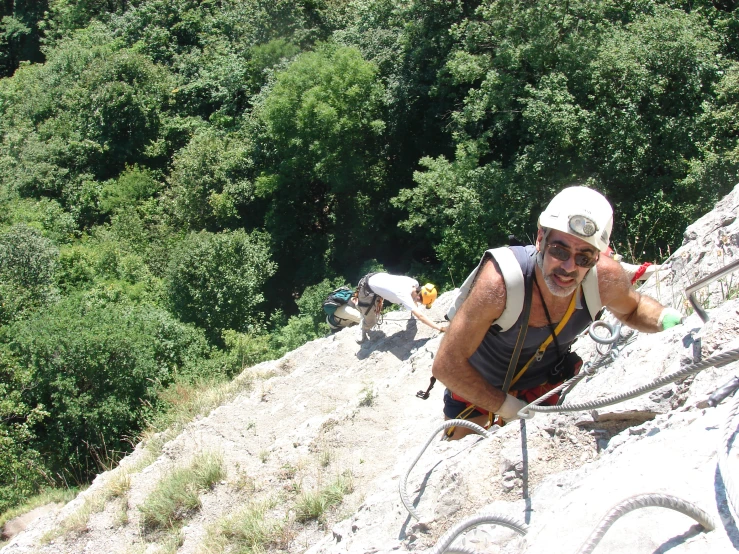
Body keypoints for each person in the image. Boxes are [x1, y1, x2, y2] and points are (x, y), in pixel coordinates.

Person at [433, 186, 684, 439]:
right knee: (461, 456)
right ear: (540, 238)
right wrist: (508, 407)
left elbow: (635, 308)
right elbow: (447, 365)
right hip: (477, 386)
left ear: (597, 257)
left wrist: (667, 320)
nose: (569, 267)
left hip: (543, 387)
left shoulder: (603, 279)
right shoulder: (500, 283)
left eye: (584, 258)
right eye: (559, 251)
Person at [354, 273, 445, 343]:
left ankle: (364, 313)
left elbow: (412, 297)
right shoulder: (403, 294)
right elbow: (420, 317)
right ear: (419, 295)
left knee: (375, 312)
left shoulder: (414, 283)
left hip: (376, 279)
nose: (419, 303)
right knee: (372, 321)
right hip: (366, 290)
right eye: (420, 302)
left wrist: (413, 305)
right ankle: (362, 327)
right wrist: (439, 328)